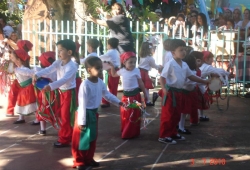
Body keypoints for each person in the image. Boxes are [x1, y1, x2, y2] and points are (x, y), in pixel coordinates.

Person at [71, 56, 124, 170]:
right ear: (89, 70)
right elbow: (82, 104)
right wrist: (82, 121)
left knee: (92, 138)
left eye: (101, 68)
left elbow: (107, 95)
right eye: (97, 68)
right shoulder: (85, 84)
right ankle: (79, 161)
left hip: (94, 114)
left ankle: (89, 158)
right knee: (82, 139)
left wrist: (119, 102)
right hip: (84, 114)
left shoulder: (100, 82)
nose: (101, 70)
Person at [158, 39, 210, 144]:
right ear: (173, 53)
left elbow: (191, 76)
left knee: (176, 114)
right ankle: (164, 135)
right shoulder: (170, 64)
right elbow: (162, 77)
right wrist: (164, 89)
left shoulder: (184, 64)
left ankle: (173, 133)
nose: (183, 52)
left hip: (179, 92)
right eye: (181, 50)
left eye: (184, 50)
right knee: (168, 114)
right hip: (171, 92)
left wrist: (204, 81)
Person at [33, 39, 78, 148]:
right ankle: (67, 135)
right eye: (58, 50)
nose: (58, 52)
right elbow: (49, 69)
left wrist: (51, 86)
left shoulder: (72, 66)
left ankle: (65, 139)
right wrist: (38, 74)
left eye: (61, 50)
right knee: (61, 115)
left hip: (68, 93)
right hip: (60, 92)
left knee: (66, 116)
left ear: (69, 52)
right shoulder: (58, 62)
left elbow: (64, 79)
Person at [110, 52, 147, 139]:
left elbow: (140, 82)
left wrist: (145, 92)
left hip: (135, 96)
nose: (133, 64)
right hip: (126, 97)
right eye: (130, 62)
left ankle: (131, 132)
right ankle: (126, 130)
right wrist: (112, 67)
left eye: (134, 62)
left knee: (134, 115)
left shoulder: (137, 70)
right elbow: (114, 74)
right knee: (126, 114)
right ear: (124, 62)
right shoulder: (122, 71)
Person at [198, 51, 230, 121]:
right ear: (206, 59)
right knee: (196, 103)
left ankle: (200, 116)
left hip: (198, 86)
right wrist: (228, 74)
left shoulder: (203, 66)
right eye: (211, 59)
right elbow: (220, 71)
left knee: (199, 102)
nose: (212, 61)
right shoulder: (207, 67)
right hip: (196, 86)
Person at [32, 52, 57, 136]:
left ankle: (43, 129)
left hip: (43, 94)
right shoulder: (56, 70)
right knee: (56, 110)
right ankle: (60, 128)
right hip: (55, 93)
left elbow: (35, 81)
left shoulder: (39, 71)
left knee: (42, 109)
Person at [8, 49, 37, 123]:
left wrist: (15, 68)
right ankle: (21, 118)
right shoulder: (18, 68)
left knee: (32, 103)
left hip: (28, 88)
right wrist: (11, 64)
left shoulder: (23, 69)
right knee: (20, 101)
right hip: (23, 88)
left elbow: (31, 73)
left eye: (13, 57)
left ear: (18, 59)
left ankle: (38, 119)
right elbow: (10, 70)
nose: (11, 59)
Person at [178, 54, 200, 134]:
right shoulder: (191, 72)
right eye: (195, 61)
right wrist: (204, 81)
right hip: (185, 93)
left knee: (183, 112)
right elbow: (191, 81)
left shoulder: (188, 71)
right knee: (183, 112)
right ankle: (181, 127)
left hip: (186, 92)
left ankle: (180, 126)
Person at [138, 41, 162, 106]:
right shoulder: (150, 58)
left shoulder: (142, 56)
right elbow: (154, 66)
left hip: (140, 71)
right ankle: (147, 101)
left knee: (140, 87)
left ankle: (143, 100)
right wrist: (159, 67)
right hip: (145, 73)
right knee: (146, 87)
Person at [99, 37, 121, 108]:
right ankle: (112, 101)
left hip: (113, 70)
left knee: (111, 86)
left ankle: (107, 101)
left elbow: (102, 57)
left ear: (109, 45)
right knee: (113, 86)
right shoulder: (116, 51)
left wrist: (94, 57)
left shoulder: (110, 52)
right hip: (116, 70)